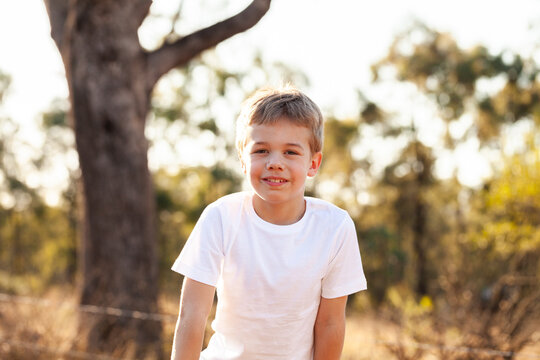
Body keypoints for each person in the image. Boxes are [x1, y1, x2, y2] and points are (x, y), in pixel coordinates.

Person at [170, 86, 367, 360]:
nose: (275, 163)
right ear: (243, 159)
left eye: (291, 152)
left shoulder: (335, 227)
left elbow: (331, 323)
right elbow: (192, 315)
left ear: (313, 163)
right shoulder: (221, 217)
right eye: (261, 150)